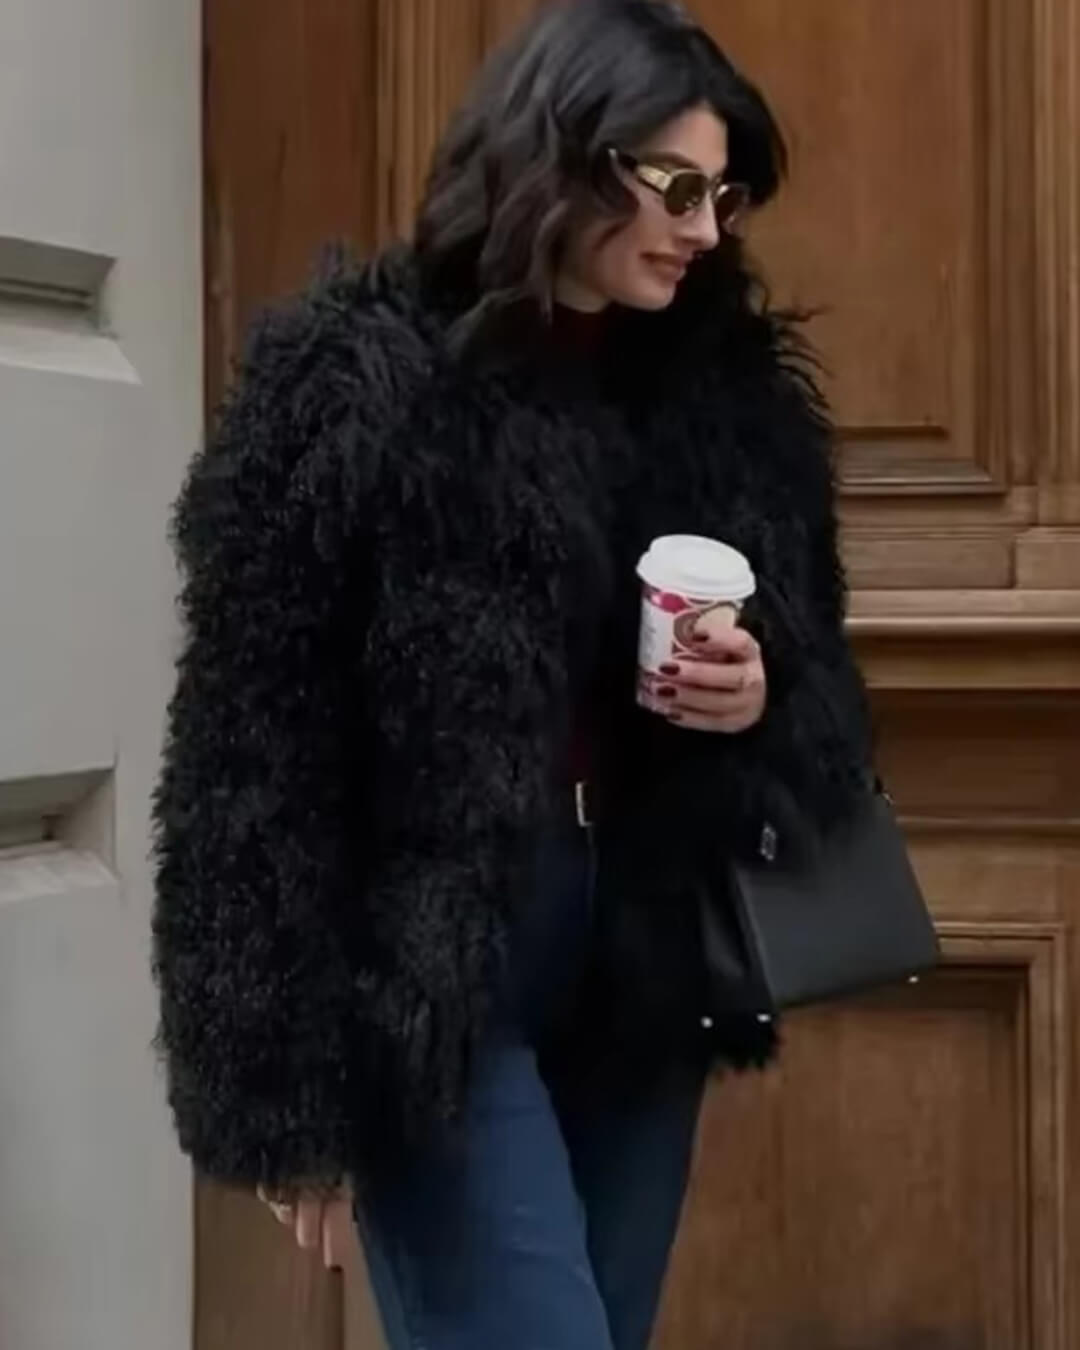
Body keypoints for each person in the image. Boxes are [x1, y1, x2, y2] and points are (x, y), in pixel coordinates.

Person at [151, 1, 874, 1346]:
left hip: (643, 954)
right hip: (437, 964)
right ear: (567, 154)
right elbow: (246, 749)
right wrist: (282, 1091)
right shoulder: (357, 382)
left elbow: (815, 663)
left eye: (722, 197)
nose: (706, 230)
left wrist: (760, 688)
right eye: (676, 188)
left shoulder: (729, 398)